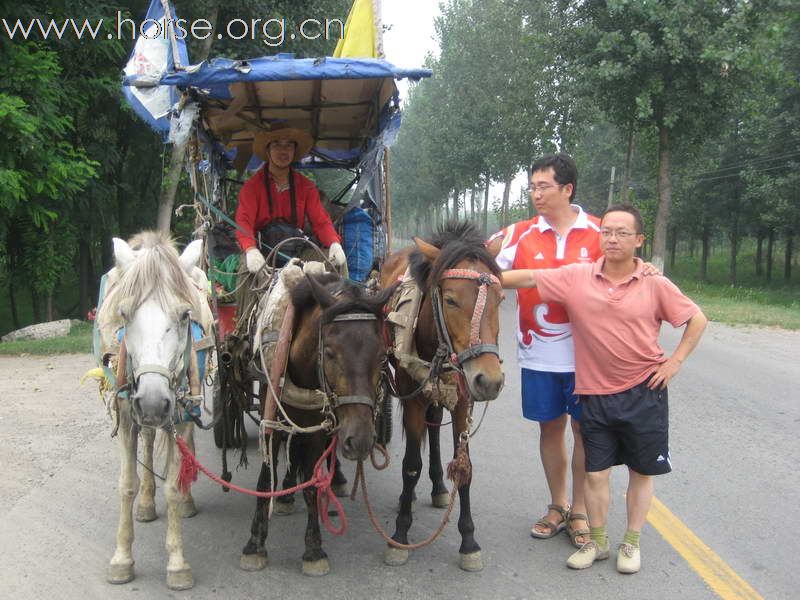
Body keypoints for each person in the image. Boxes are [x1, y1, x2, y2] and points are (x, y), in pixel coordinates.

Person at [501, 204, 708, 574]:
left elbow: (696, 319)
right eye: (607, 232)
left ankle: (631, 543)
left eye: (622, 233)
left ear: (639, 241)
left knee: (640, 472)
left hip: (644, 391)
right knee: (596, 474)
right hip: (594, 393)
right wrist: (473, 275)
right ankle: (597, 543)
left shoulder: (654, 282)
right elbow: (529, 278)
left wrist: (673, 363)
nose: (612, 239)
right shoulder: (577, 276)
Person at [487, 153, 600, 547]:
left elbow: (628, 274)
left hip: (590, 357)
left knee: (586, 432)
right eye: (531, 187)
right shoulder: (517, 234)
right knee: (550, 429)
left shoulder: (600, 233)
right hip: (539, 354)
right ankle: (558, 504)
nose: (535, 194)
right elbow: (477, 266)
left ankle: (581, 511)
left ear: (567, 189)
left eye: (543, 186)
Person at [235, 125, 346, 273]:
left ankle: (344, 296)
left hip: (297, 252)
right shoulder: (252, 187)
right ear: (268, 150)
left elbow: (321, 222)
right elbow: (244, 222)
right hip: (262, 251)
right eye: (277, 145)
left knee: (337, 263)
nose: (283, 151)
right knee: (245, 271)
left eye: (289, 145)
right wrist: (250, 249)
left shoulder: (307, 187)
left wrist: (334, 243)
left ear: (294, 150)